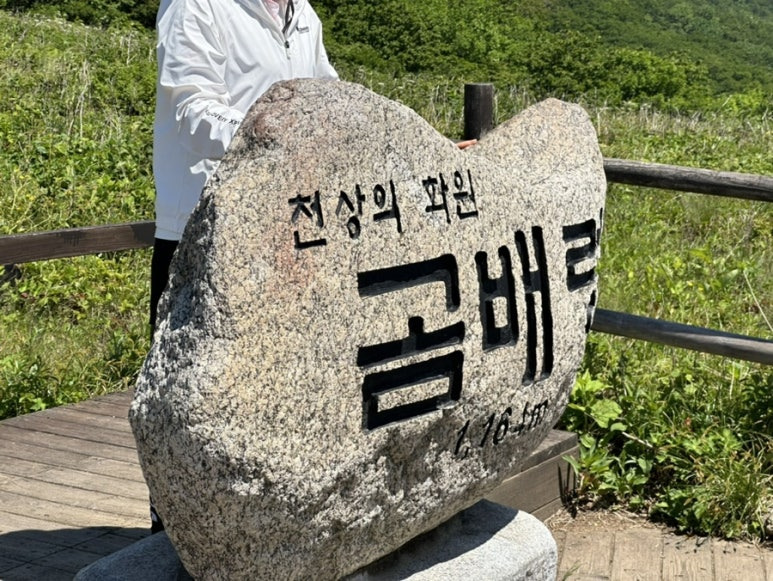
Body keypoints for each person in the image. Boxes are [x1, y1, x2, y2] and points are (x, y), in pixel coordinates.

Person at [148, 0, 338, 532]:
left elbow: (333, 100)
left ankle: (268, 536)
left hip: (280, 230)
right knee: (190, 406)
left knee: (276, 395)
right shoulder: (196, 5)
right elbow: (191, 109)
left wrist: (409, 140)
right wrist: (272, 134)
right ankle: (175, 537)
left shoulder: (302, 14)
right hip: (199, 229)